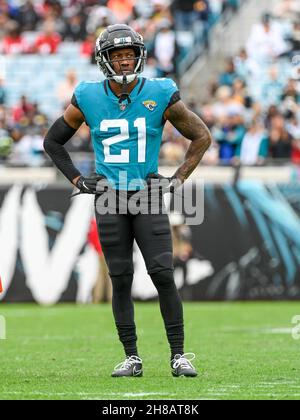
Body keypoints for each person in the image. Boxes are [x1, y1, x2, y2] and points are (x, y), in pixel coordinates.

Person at [44, 24, 212, 378]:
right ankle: (132, 357)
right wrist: (77, 178)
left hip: (147, 195)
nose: (124, 61)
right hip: (108, 198)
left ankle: (179, 355)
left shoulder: (161, 92)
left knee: (163, 273)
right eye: (117, 55)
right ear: (105, 60)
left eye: (129, 55)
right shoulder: (88, 95)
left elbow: (201, 136)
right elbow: (53, 141)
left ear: (140, 56)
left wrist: (178, 178)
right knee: (120, 277)